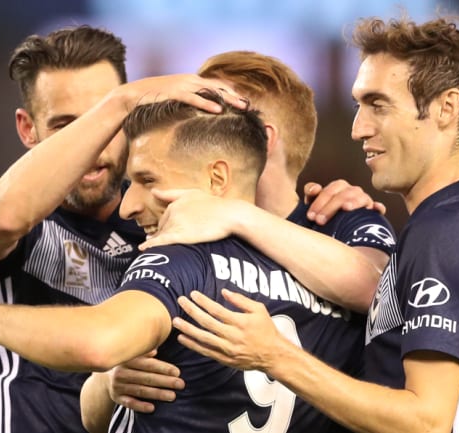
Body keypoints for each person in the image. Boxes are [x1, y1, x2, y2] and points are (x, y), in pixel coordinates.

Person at [0, 90, 371, 433]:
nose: (130, 206)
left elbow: (99, 340)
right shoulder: (328, 271)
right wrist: (108, 385)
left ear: (217, 179)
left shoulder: (182, 263)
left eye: (149, 180)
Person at [169, 16, 459, 433]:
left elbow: (425, 421)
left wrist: (275, 356)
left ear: (447, 108)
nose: (358, 129)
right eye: (359, 105)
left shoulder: (445, 233)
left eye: (378, 104)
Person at [0, 25, 247, 433]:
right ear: (27, 129)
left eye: (106, 123)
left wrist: (336, 209)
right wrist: (119, 102)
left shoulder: (169, 215)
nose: (93, 146)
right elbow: (3, 219)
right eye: (66, 125)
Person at [83, 50, 395, 429]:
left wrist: (239, 216)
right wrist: (107, 381)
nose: (184, 124)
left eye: (210, 106)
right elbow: (94, 414)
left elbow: (380, 292)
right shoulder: (162, 226)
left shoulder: (337, 219)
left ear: (260, 138)